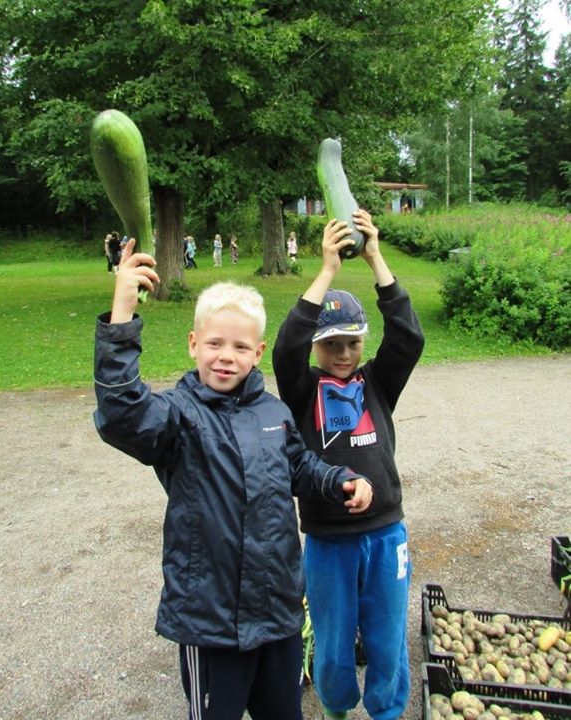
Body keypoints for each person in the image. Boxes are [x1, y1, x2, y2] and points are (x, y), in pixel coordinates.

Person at [93, 239, 373, 720]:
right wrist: (122, 311)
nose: (226, 356)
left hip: (279, 612)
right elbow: (122, 414)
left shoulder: (273, 411)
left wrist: (339, 478)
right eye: (215, 344)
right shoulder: (176, 415)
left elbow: (300, 466)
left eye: (240, 346)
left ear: (258, 352)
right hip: (211, 622)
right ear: (193, 343)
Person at [272, 209, 425, 720]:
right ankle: (337, 708)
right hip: (327, 537)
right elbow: (286, 347)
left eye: (352, 342)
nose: (343, 353)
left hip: (386, 533)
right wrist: (327, 271)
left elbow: (408, 336)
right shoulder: (302, 389)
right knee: (334, 643)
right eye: (332, 343)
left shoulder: (377, 382)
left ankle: (386, 711)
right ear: (318, 345)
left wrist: (376, 255)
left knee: (386, 634)